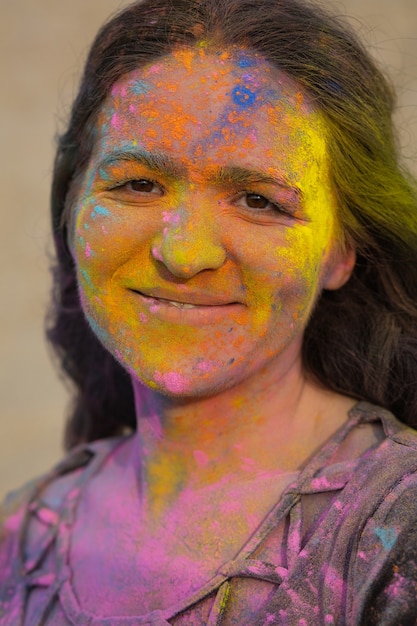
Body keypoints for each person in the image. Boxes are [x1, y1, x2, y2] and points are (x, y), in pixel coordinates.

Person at [1, 0, 417, 623]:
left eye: (258, 200)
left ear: (341, 251)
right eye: (138, 184)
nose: (183, 253)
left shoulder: (399, 530)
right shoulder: (20, 537)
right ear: (73, 205)